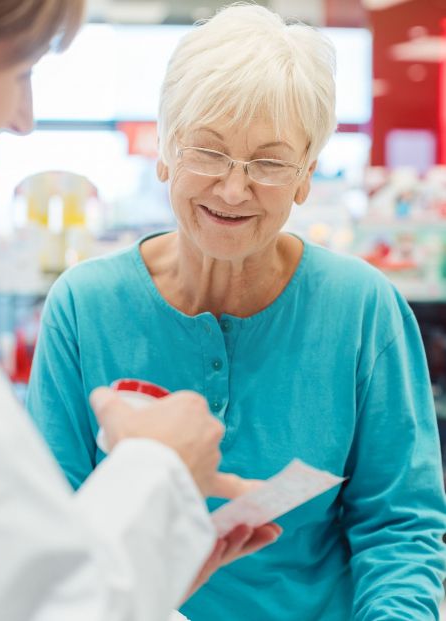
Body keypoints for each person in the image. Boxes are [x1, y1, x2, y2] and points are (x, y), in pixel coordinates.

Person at [0, 1, 280, 620]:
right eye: (22, 74)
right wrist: (161, 469)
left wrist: (147, 560)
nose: (25, 120)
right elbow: (26, 605)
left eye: (270, 162)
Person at [26, 3, 446, 620]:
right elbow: (52, 521)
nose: (231, 187)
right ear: (165, 151)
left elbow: (399, 527)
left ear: (306, 174)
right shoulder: (85, 306)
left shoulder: (361, 308)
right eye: (207, 152)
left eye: (270, 162)